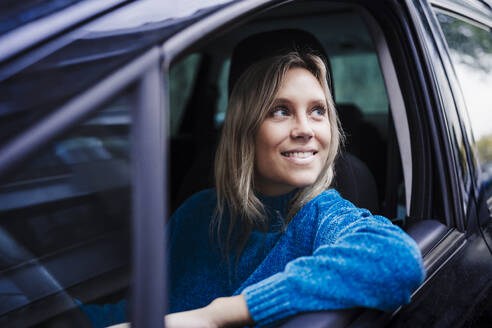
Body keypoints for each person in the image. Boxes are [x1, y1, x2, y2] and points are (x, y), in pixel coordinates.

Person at [81, 35, 425, 328]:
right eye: (281, 111)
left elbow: (398, 261)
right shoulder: (196, 213)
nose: (305, 129)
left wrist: (217, 316)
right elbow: (135, 311)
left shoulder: (322, 215)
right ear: (245, 130)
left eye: (318, 110)